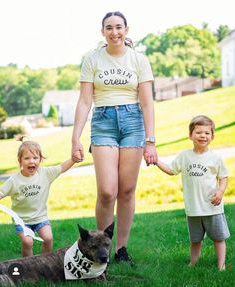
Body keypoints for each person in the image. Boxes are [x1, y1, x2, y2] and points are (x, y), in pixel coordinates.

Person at [71, 11, 157, 264]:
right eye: (109, 28)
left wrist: (150, 141)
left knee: (127, 191)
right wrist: (75, 138)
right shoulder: (92, 59)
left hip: (133, 123)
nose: (114, 32)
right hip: (104, 123)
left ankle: (120, 249)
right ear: (102, 32)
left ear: (126, 30)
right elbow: (85, 100)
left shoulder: (139, 60)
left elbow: (147, 103)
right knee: (108, 191)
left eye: (119, 27)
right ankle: (100, 246)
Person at [156, 115, 230, 271]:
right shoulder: (185, 156)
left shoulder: (215, 158)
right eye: (198, 132)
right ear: (190, 135)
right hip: (193, 209)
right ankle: (193, 263)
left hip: (212, 208)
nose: (203, 136)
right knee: (195, 240)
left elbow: (223, 177)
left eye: (207, 133)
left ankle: (221, 265)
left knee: (218, 238)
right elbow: (171, 170)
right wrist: (156, 161)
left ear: (212, 137)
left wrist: (220, 191)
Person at [0, 137, 76, 257]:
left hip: (40, 218)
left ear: (40, 159)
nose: (31, 161)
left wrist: (74, 159)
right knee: (27, 242)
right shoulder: (14, 180)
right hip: (22, 221)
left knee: (48, 239)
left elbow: (61, 168)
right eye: (27, 158)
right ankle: (28, 265)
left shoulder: (45, 173)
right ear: (20, 161)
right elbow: (1, 192)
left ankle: (44, 262)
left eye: (35, 158)